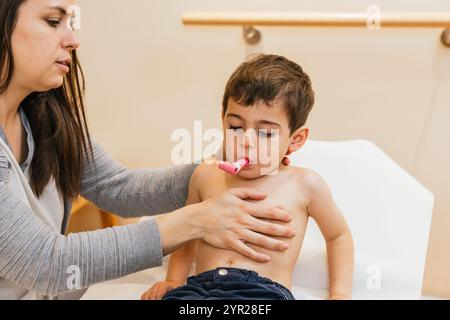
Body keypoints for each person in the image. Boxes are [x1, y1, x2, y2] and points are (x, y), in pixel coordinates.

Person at [0, 0, 296, 299]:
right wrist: (194, 220)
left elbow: (117, 188)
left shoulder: (45, 118)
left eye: (70, 22)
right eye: (53, 21)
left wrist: (212, 176)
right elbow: (46, 263)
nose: (73, 40)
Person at [141, 54, 354, 300]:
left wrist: (339, 294)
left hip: (263, 292)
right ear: (223, 120)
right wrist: (173, 280)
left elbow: (338, 236)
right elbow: (188, 232)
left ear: (295, 139)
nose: (246, 142)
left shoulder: (305, 185)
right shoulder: (205, 175)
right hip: (199, 288)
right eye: (235, 127)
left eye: (265, 133)